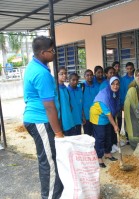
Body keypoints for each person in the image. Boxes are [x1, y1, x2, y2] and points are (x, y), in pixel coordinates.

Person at [23, 36, 63, 198]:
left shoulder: (35, 66)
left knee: (49, 160)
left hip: (39, 120)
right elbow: (49, 106)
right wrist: (58, 133)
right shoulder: (41, 73)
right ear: (42, 53)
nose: (54, 53)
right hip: (40, 121)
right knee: (50, 164)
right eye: (51, 51)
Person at [90, 76, 120, 168]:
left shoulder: (113, 93)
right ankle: (98, 157)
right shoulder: (104, 96)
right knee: (100, 137)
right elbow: (108, 113)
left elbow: (113, 109)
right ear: (109, 84)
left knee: (108, 135)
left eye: (117, 84)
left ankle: (107, 152)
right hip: (98, 117)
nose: (115, 86)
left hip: (106, 116)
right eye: (113, 84)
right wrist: (115, 125)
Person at [57, 67, 76, 136]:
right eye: (61, 74)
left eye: (65, 73)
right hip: (62, 121)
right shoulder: (56, 89)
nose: (64, 75)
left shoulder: (65, 88)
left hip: (69, 120)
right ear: (57, 75)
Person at [120, 62, 135, 144]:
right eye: (128, 69)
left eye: (131, 68)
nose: (129, 70)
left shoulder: (136, 77)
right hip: (127, 103)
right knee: (127, 121)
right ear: (126, 69)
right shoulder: (123, 79)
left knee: (136, 120)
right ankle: (129, 138)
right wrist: (122, 104)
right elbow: (122, 92)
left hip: (136, 103)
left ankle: (135, 138)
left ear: (133, 68)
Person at [82, 69, 99, 136]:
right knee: (87, 135)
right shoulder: (81, 87)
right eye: (87, 75)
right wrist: (82, 115)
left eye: (91, 75)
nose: (90, 77)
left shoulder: (97, 87)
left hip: (95, 115)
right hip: (86, 116)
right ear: (84, 76)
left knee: (96, 134)